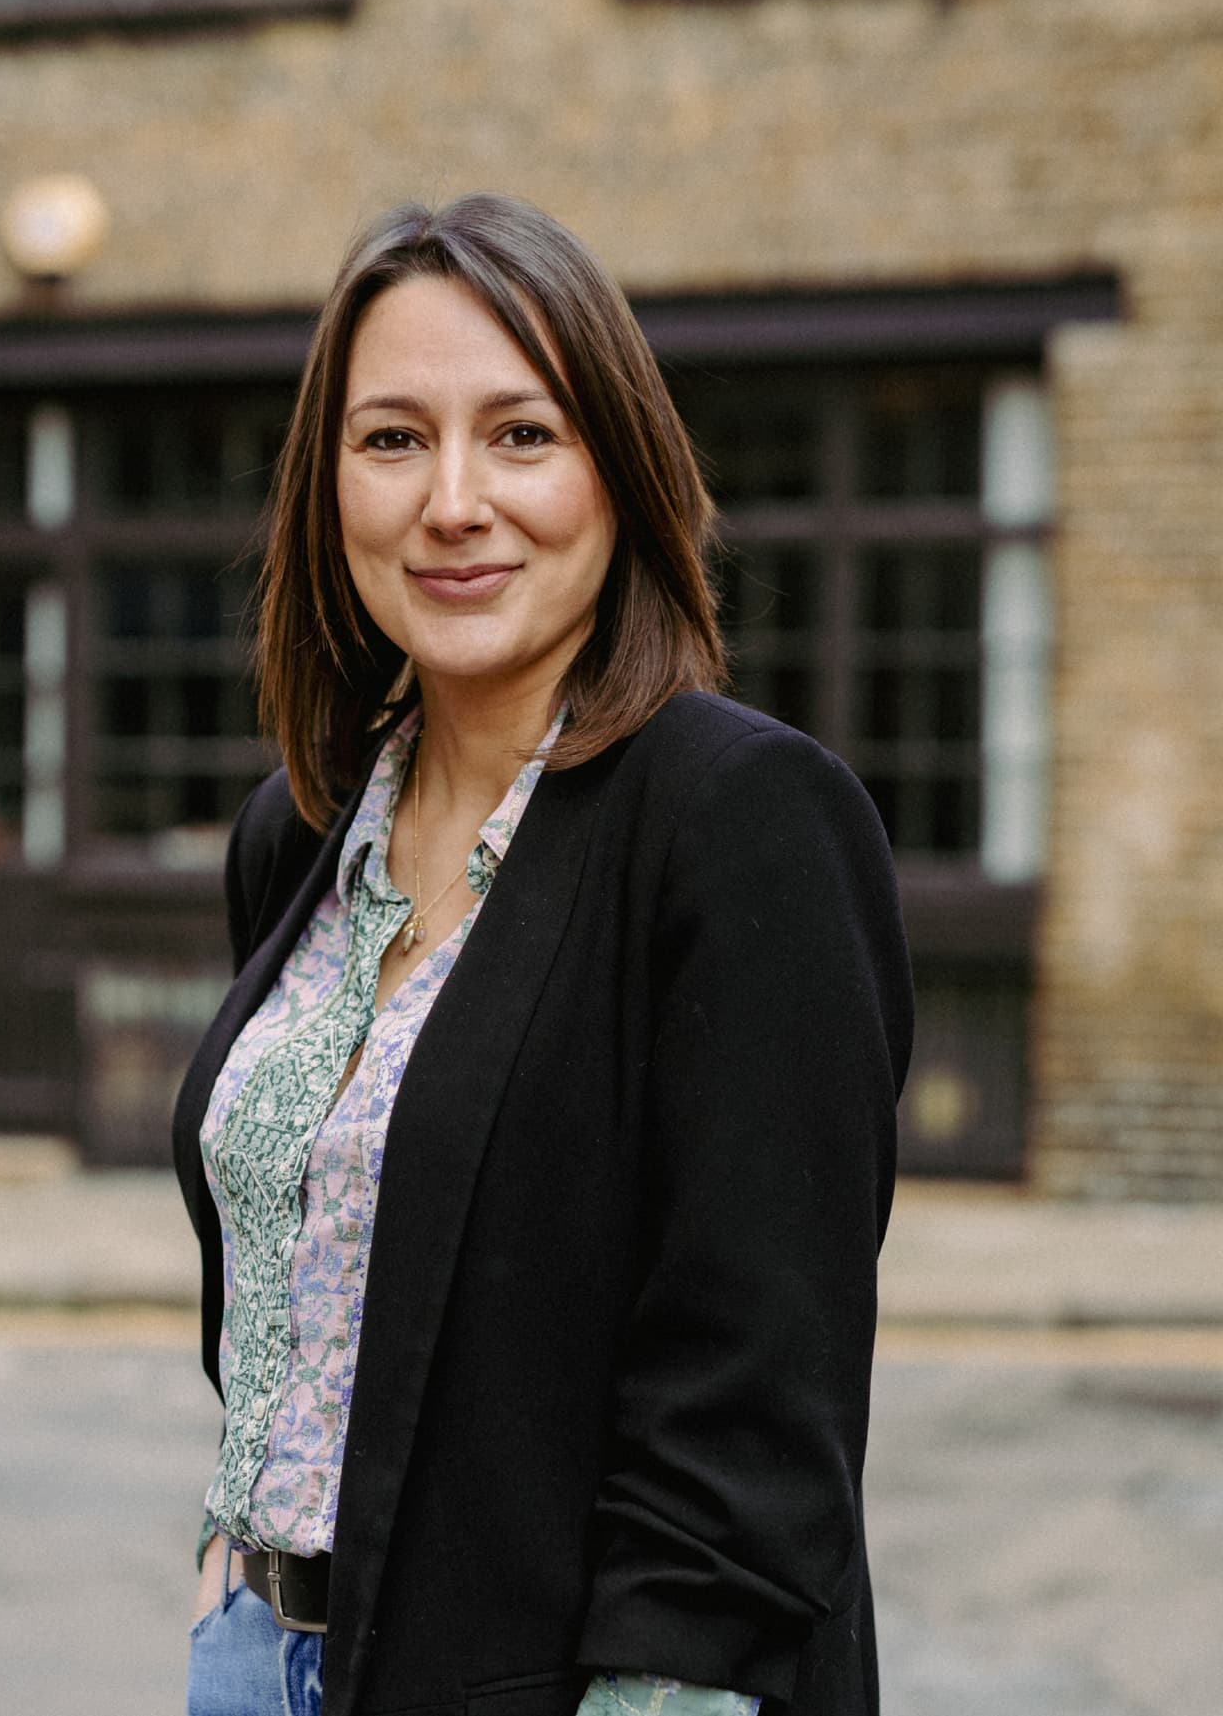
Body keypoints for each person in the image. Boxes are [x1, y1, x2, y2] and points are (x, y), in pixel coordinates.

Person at [172, 192, 912, 1716]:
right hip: (255, 1659)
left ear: (620, 473)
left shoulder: (739, 821)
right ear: (327, 488)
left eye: (521, 434)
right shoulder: (297, 835)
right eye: (392, 439)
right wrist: (232, 1582)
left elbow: (753, 1411)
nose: (453, 501)